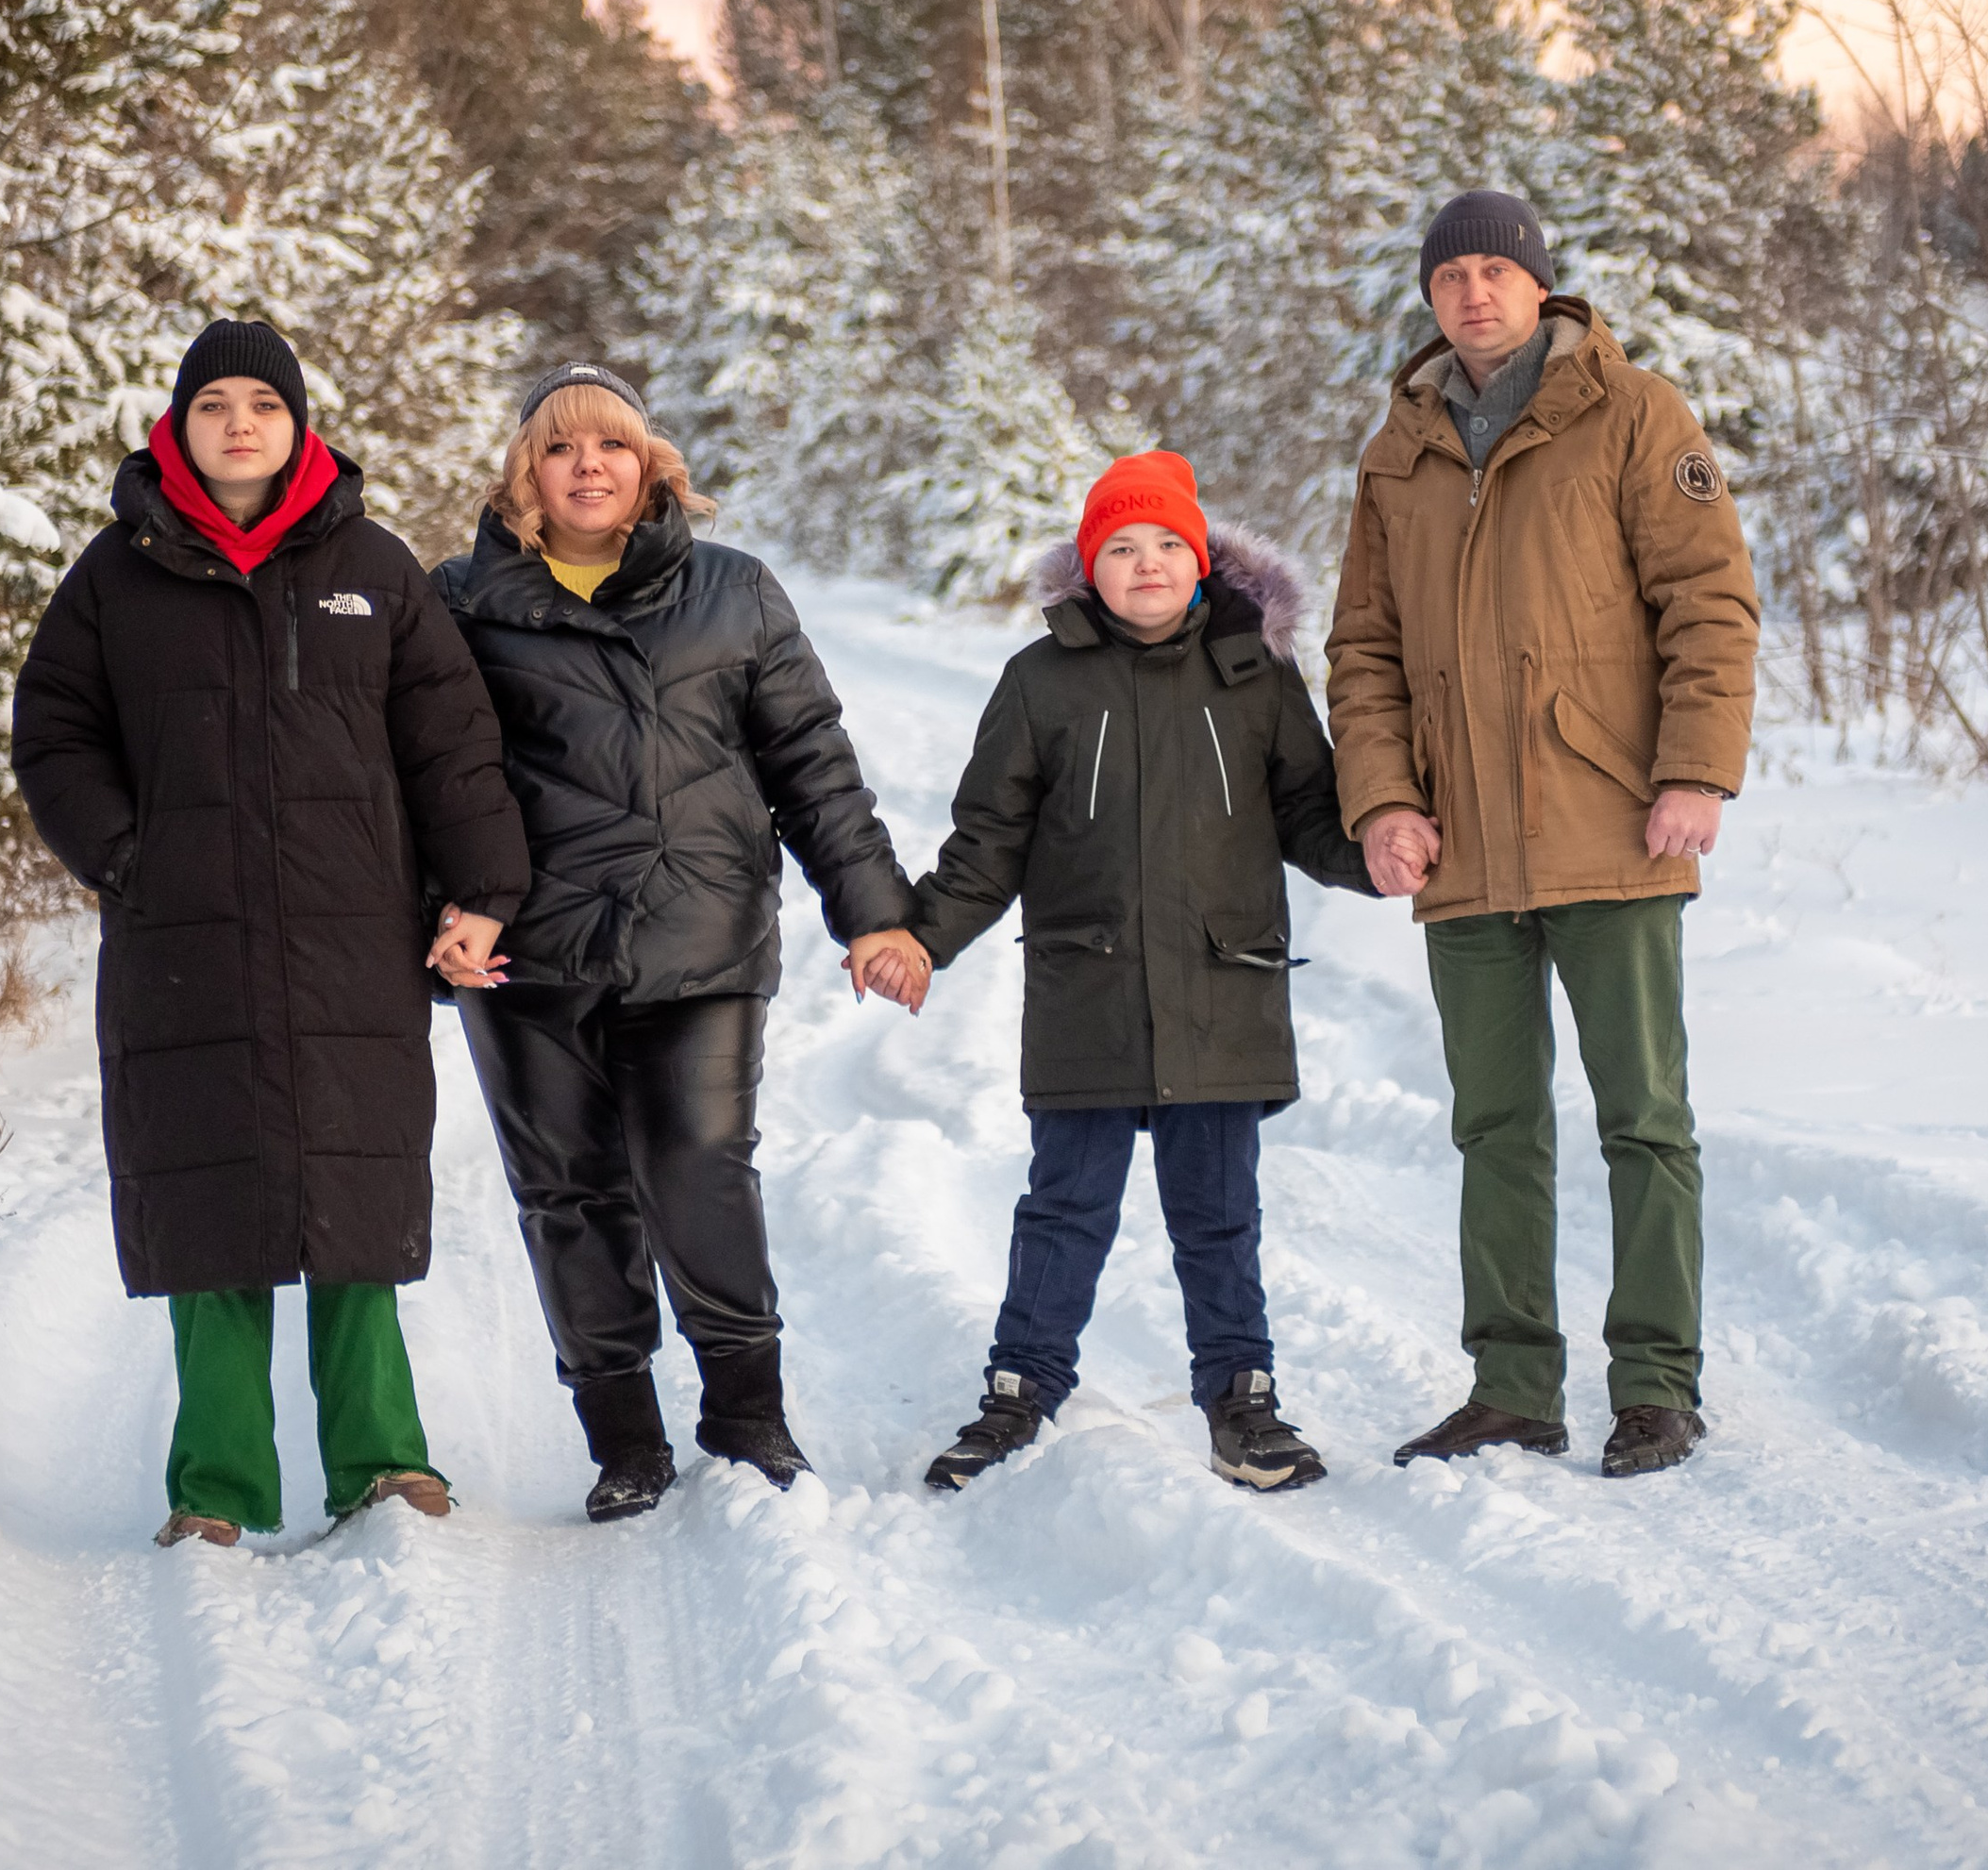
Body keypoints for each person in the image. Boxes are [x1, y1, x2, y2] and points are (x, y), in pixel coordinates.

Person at [12, 320, 529, 1547]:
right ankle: (218, 1489)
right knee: (211, 1211)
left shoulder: (376, 569)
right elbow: (56, 735)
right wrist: (130, 860)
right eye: (214, 404)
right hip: (184, 936)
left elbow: (451, 745)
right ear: (176, 425)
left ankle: (384, 1463)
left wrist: (484, 888)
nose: (239, 422)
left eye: (264, 402)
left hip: (355, 931)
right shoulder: (114, 575)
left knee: (354, 1201)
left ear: (300, 425)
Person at [434, 362, 929, 1524]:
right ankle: (624, 1442)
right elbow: (420, 777)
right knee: (568, 1193)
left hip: (696, 935)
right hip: (528, 954)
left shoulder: (734, 593)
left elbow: (813, 763)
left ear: (651, 465)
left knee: (700, 1171)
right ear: (525, 475)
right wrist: (434, 913)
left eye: (610, 444)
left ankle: (747, 1416)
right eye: (559, 449)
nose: (587, 466)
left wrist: (873, 912)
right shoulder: (456, 601)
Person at [1325, 190, 1760, 1478]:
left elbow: (1710, 605)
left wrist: (1695, 773)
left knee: (1645, 1119)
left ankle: (1656, 1387)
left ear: (1540, 283)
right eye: (1450, 274)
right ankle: (1512, 1386)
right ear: (1429, 295)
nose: (1473, 293)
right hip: (1464, 853)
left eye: (1495, 271)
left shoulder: (1633, 413)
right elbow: (1364, 653)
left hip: (1612, 828)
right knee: (1496, 1126)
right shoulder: (1396, 451)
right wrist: (1385, 799)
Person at [905, 451, 1377, 1494]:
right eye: (1121, 546)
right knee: (1064, 1206)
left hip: (1222, 988)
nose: (1147, 562)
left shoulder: (1255, 673)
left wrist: (1381, 853)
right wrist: (920, 936)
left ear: (1202, 559)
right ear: (1088, 566)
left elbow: (1308, 811)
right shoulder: (1040, 681)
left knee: (1218, 1213)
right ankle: (1018, 1392)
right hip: (1089, 992)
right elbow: (988, 840)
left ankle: (1240, 1402)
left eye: (1167, 543)